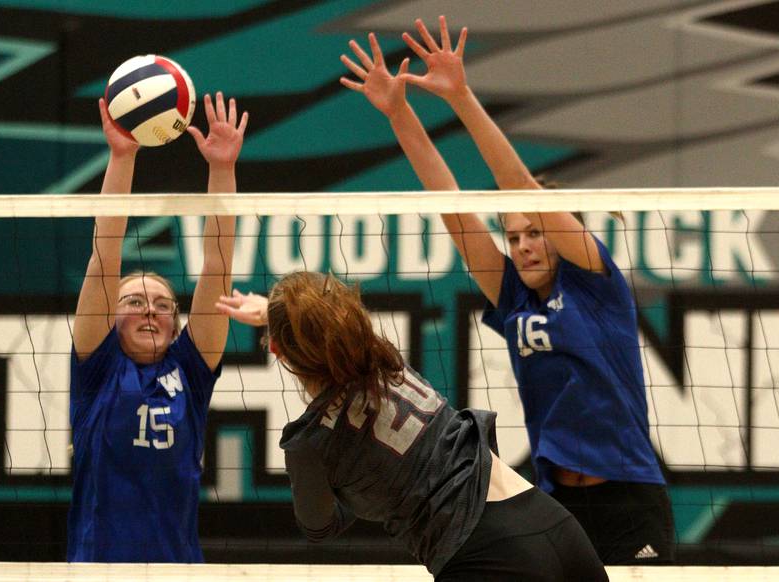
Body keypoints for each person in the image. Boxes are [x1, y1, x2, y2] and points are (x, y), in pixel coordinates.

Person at [342, 18, 675, 565]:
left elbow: (520, 184)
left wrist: (461, 96)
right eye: (513, 236)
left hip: (628, 497)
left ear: (561, 229)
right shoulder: (514, 296)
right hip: (557, 498)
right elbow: (449, 208)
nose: (523, 246)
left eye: (536, 232)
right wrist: (400, 112)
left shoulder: (595, 284)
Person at [215, 272, 608, 581]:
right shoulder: (385, 362)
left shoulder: (310, 441)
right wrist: (277, 313)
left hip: (486, 554)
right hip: (554, 524)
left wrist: (367, 486)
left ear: (274, 348)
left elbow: (319, 529)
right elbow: (335, 327)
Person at [68, 92, 248, 562]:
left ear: (175, 324)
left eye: (163, 304)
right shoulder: (96, 369)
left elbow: (218, 267)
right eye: (133, 301)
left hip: (177, 572)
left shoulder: (190, 368)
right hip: (94, 574)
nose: (150, 310)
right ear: (111, 315)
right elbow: (105, 254)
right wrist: (122, 156)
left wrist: (222, 170)